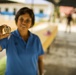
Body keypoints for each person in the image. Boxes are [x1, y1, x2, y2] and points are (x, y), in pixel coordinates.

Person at [0, 7, 44, 75]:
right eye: (21, 19)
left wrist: (42, 73)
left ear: (31, 23)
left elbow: (40, 60)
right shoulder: (9, 37)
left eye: (27, 20)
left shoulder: (36, 39)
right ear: (16, 20)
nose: (24, 22)